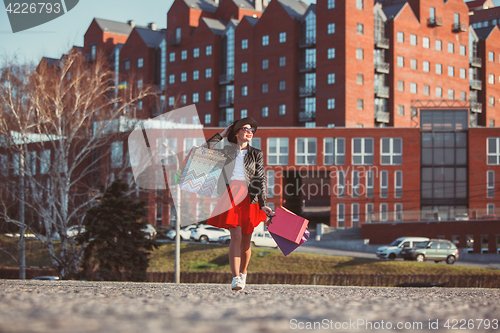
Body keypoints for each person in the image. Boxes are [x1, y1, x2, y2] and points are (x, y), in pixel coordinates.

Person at [204, 117, 273, 290]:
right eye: (245, 129)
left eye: (252, 130)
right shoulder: (226, 151)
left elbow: (260, 179)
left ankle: (243, 273)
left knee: (245, 242)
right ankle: (235, 278)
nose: (250, 132)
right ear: (236, 132)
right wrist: (221, 135)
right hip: (230, 195)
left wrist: (263, 203)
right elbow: (203, 151)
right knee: (235, 235)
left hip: (250, 197)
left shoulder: (256, 153)